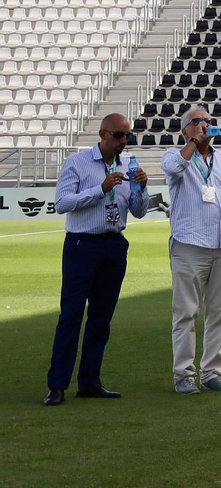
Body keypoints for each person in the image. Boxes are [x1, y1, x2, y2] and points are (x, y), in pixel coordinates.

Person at [43, 113, 148, 406]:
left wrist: (141, 188)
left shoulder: (127, 166)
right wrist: (100, 189)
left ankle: (90, 381)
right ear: (102, 134)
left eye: (127, 136)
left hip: (114, 245)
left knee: (101, 318)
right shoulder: (77, 163)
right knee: (71, 315)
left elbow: (139, 211)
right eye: (118, 135)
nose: (124, 141)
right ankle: (57, 385)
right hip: (82, 243)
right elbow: (62, 203)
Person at [163, 105, 221, 394]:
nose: (205, 124)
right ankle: (183, 374)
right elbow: (174, 169)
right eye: (198, 121)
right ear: (184, 130)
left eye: (208, 120)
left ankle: (212, 371)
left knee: (220, 312)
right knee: (185, 312)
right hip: (189, 244)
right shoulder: (174, 156)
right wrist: (194, 142)